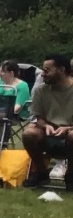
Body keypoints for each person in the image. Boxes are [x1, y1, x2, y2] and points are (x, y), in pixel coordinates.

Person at [24, 54, 73, 188]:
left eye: (47, 70)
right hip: (48, 134)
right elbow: (38, 117)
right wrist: (45, 125)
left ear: (61, 70)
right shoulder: (41, 90)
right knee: (29, 134)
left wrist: (68, 128)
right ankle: (41, 173)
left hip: (70, 134)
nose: (42, 74)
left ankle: (70, 175)